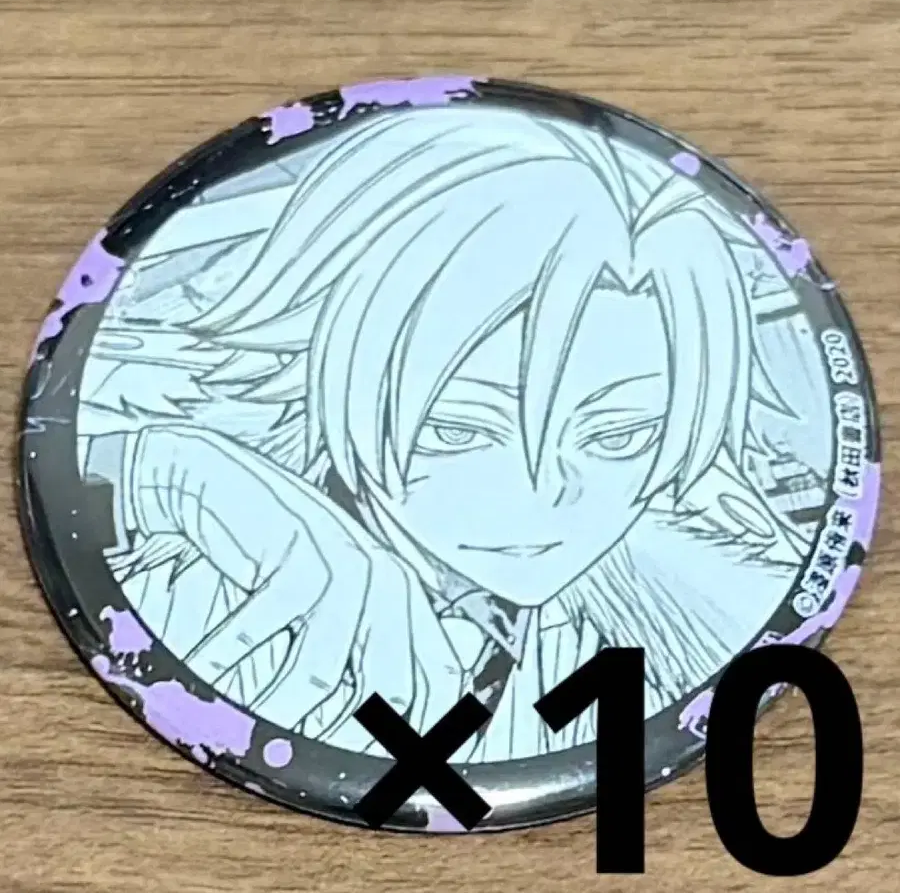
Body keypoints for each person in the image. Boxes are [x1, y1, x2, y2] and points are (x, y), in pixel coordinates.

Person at [77, 104, 807, 763]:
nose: (538, 498)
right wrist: (156, 473)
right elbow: (64, 464)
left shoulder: (644, 636)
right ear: (334, 375)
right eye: (454, 431)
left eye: (620, 439)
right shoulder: (200, 573)